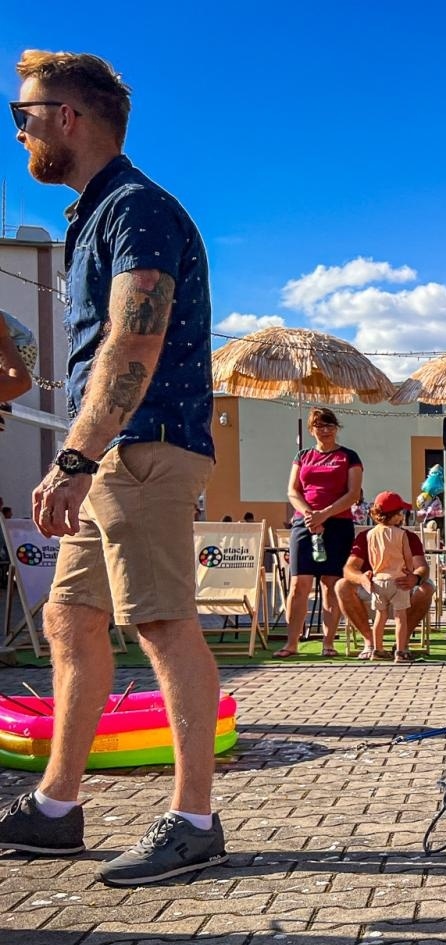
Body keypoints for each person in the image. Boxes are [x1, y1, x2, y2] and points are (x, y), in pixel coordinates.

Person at [3, 51, 225, 885]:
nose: (17, 133)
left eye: (23, 116)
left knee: (162, 623)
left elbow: (135, 342)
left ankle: (195, 821)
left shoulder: (136, 209)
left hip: (144, 449)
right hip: (113, 457)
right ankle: (57, 806)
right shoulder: (98, 213)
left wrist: (75, 455)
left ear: (69, 116)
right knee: (70, 617)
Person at [276, 406, 361, 658]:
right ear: (311, 430)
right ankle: (291, 643)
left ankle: (328, 643)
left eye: (329, 425)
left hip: (338, 524)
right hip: (305, 523)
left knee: (330, 583)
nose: (325, 431)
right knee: (298, 584)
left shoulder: (349, 456)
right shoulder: (302, 456)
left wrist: (324, 514)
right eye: (319, 426)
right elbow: (293, 490)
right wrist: (309, 514)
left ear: (336, 428)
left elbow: (353, 494)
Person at [335, 509, 433, 662]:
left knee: (426, 587)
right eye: (399, 513)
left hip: (388, 585)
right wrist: (361, 578)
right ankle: (372, 643)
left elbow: (422, 567)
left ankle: (397, 644)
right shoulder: (370, 536)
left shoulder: (405, 536)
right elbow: (349, 568)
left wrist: (415, 577)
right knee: (342, 586)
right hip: (381, 586)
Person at [363, 491, 426, 663]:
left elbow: (371, 557)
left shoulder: (370, 534)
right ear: (395, 515)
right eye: (401, 513)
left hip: (378, 579)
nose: (402, 516)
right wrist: (409, 571)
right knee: (400, 617)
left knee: (380, 616)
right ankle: (400, 651)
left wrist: (375, 570)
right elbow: (407, 556)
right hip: (399, 579)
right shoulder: (401, 534)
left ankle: (377, 649)